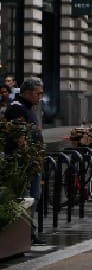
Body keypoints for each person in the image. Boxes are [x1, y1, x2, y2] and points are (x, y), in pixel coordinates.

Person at [5, 78, 46, 246]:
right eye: (38, 93)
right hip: (24, 162)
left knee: (34, 196)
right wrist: (28, 157)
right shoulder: (16, 108)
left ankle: (29, 231)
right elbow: (20, 138)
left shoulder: (27, 108)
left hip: (32, 161)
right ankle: (26, 232)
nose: (40, 97)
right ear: (28, 93)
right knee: (28, 197)